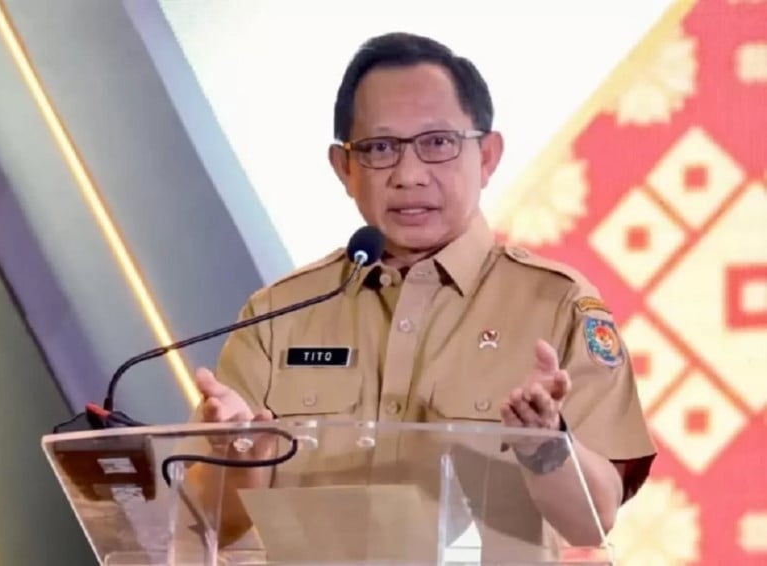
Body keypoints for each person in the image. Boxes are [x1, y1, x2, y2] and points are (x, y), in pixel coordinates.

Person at [187, 31, 656, 556]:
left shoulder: (557, 306)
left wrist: (546, 441)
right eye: (380, 148)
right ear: (344, 168)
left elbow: (593, 522)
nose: (409, 176)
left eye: (437, 143)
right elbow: (206, 523)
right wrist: (239, 457)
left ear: (488, 156)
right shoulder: (279, 315)